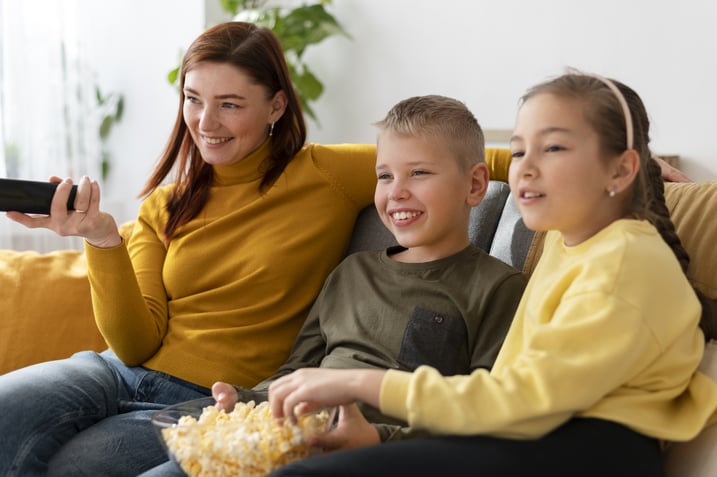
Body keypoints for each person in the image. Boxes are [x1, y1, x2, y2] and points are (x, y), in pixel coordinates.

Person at [265, 72, 717, 477]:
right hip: (537, 435)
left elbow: (521, 401)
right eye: (519, 150)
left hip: (591, 451)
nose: (525, 166)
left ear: (619, 169)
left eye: (554, 147)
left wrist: (359, 382)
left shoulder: (625, 264)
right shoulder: (569, 238)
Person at [0, 22, 379, 477]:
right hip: (111, 371)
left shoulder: (326, 174)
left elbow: (462, 156)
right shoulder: (163, 206)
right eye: (193, 99)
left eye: (230, 105)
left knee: (73, 468)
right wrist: (102, 239)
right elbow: (135, 343)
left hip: (207, 401)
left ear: (276, 105)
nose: (205, 122)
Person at [138, 95, 528, 476]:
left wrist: (378, 438)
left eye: (419, 173)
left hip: (381, 458)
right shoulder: (351, 273)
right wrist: (244, 398)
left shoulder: (498, 288)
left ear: (475, 185)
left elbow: (485, 415)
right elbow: (297, 370)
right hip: (290, 442)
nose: (396, 192)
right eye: (385, 175)